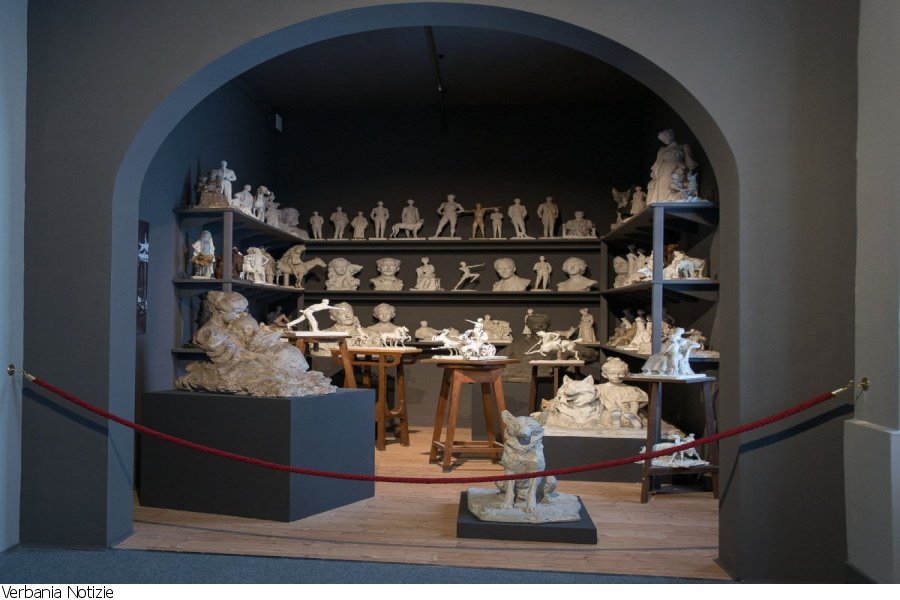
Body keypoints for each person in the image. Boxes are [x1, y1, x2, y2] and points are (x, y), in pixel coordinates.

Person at [646, 129, 697, 204]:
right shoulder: (662, 150)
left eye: (666, 137)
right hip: (662, 171)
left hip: (676, 170)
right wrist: (654, 172)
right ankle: (662, 203)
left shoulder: (682, 147)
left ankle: (669, 202)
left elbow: (689, 163)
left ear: (671, 136)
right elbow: (657, 162)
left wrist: (689, 175)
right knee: (662, 188)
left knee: (671, 188)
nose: (665, 140)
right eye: (663, 139)